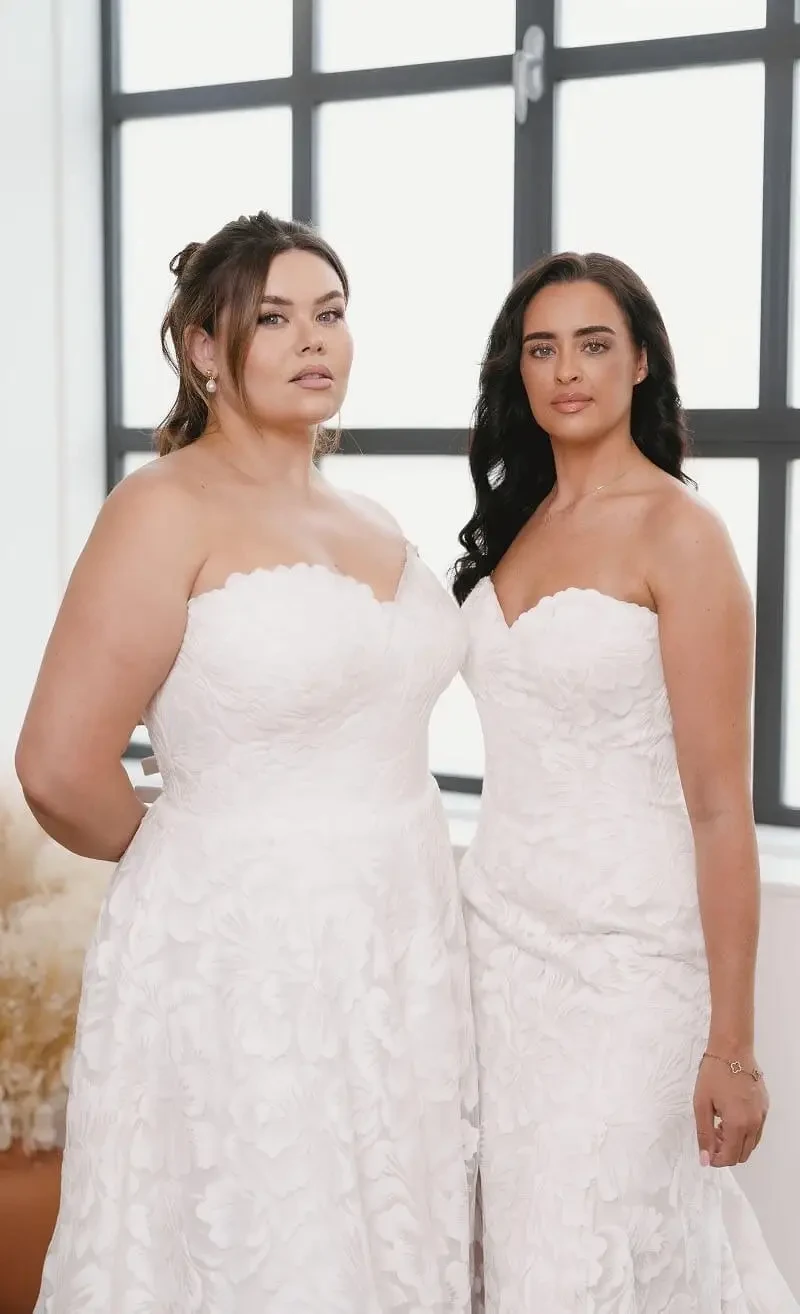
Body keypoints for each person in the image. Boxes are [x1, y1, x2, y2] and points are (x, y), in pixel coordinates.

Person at [16, 210, 478, 1313]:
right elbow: (55, 765)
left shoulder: (370, 515)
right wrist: (198, 866)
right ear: (204, 351)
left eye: (329, 313)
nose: (311, 338)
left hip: (398, 939)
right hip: (236, 955)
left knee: (384, 1230)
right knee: (264, 1237)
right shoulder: (160, 508)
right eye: (272, 318)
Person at [453, 251, 798, 1312]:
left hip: (627, 969)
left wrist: (731, 1049)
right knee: (507, 1256)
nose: (566, 370)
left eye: (593, 344)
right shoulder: (511, 526)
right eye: (541, 347)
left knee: (576, 1257)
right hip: (493, 955)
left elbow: (714, 807)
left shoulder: (681, 536)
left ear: (640, 361)